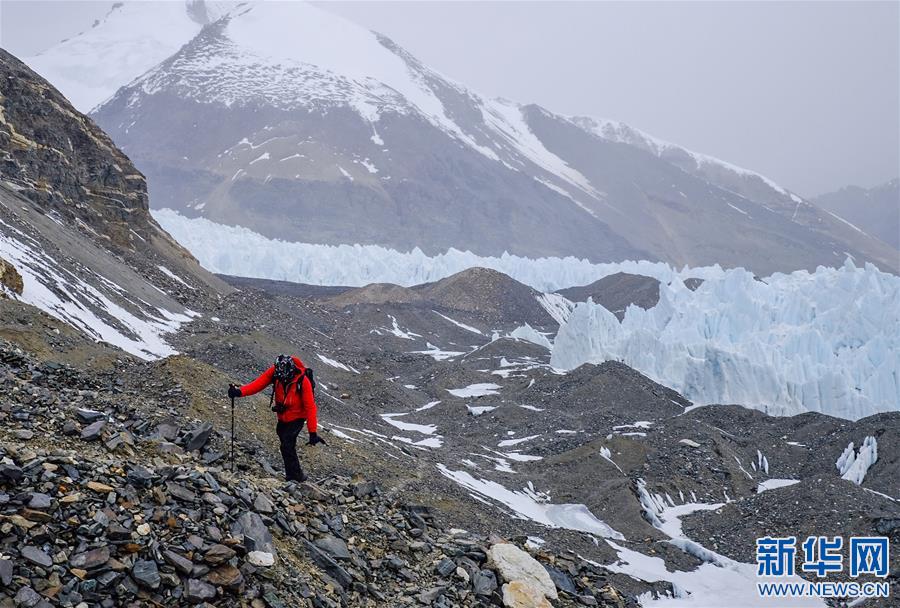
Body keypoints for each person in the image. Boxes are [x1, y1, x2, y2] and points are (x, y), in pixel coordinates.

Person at [228, 354, 325, 482]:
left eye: (286, 378)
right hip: (282, 416)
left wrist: (312, 432)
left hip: (297, 417)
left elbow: (310, 407)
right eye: (281, 378)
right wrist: (239, 392)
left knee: (287, 444)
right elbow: (258, 384)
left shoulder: (303, 380)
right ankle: (294, 474)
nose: (283, 380)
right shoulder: (275, 372)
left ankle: (295, 477)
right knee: (284, 441)